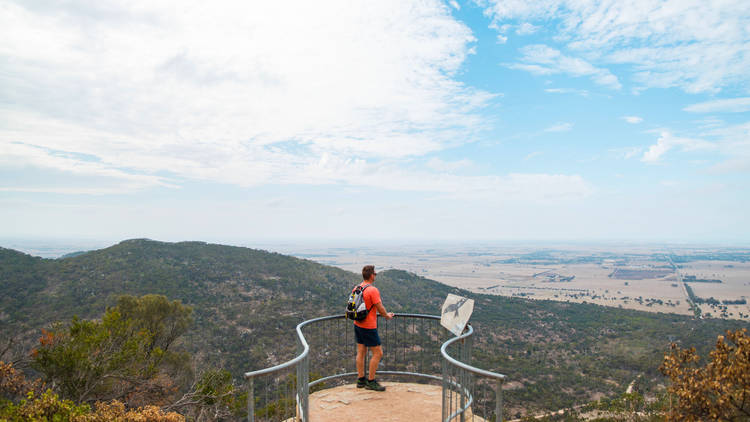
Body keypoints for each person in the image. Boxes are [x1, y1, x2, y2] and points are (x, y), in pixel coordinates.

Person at [354, 265, 394, 391]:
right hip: (368, 326)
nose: (375, 275)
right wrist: (386, 316)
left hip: (357, 323)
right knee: (378, 353)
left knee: (361, 351)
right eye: (375, 274)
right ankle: (371, 381)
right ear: (371, 275)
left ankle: (361, 380)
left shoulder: (357, 287)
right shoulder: (372, 290)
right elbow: (380, 307)